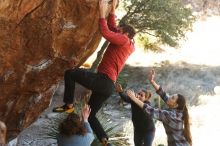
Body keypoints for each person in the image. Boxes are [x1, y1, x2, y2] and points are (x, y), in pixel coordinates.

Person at [53, 0, 136, 145]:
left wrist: (101, 13)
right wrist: (112, 12)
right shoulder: (127, 43)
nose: (118, 30)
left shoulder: (123, 39)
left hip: (103, 80)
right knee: (90, 116)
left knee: (70, 73)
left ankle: (69, 104)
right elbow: (112, 28)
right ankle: (104, 140)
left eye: (120, 30)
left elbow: (106, 31)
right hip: (108, 87)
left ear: (126, 33)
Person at [126, 70, 192, 146]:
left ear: (176, 105)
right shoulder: (178, 110)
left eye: (172, 98)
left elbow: (150, 110)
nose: (169, 97)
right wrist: (152, 81)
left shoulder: (170, 116)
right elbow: (164, 95)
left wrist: (134, 98)